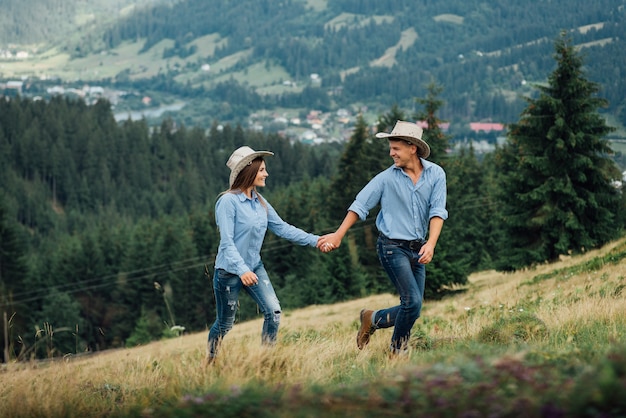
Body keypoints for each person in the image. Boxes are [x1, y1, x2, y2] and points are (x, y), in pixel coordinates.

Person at [319, 120, 448, 356]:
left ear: (413, 148)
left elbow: (438, 211)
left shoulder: (436, 174)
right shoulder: (386, 178)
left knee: (414, 308)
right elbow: (359, 205)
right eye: (390, 148)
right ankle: (397, 352)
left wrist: (431, 243)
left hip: (418, 249)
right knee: (411, 303)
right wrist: (338, 235)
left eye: (396, 148)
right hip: (391, 248)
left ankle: (372, 319)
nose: (391, 153)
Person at [206, 146, 323, 365]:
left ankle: (266, 360)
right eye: (262, 170)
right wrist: (242, 271)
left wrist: (316, 240)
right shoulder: (227, 202)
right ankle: (210, 361)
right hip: (229, 273)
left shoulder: (260, 202)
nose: (266, 174)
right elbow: (227, 242)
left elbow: (283, 228)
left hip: (255, 268)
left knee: (274, 312)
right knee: (225, 324)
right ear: (248, 172)